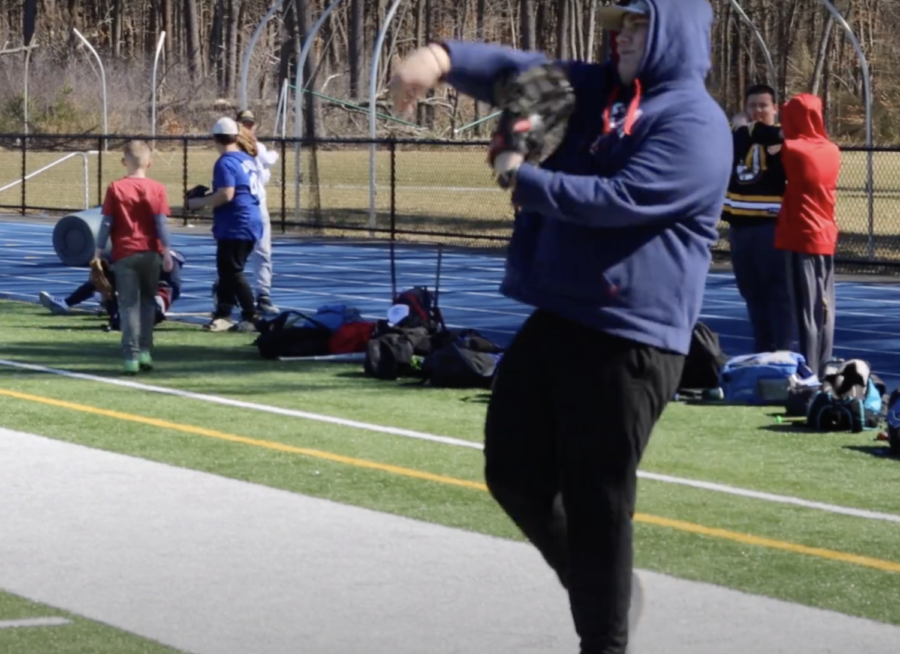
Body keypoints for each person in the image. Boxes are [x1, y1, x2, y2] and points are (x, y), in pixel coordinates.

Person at [389, 1, 732, 652]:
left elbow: (623, 200)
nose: (622, 34)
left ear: (674, 32)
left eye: (639, 23)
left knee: (597, 501)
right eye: (619, 22)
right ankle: (599, 585)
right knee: (511, 471)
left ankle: (603, 637)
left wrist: (525, 177)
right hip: (563, 317)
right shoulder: (596, 90)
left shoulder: (697, 122)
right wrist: (441, 59)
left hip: (633, 335)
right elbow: (520, 72)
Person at [743, 94, 841, 377]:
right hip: (825, 233)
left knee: (804, 310)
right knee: (825, 308)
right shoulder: (832, 149)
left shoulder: (793, 149)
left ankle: (808, 371)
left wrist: (744, 125)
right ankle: (822, 365)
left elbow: (761, 136)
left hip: (800, 233)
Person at [722, 84, 793, 353]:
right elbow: (732, 143)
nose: (758, 111)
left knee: (777, 294)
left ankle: (783, 353)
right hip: (739, 227)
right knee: (751, 294)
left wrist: (745, 129)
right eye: (752, 106)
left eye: (763, 105)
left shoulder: (778, 137)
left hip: (769, 226)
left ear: (775, 108)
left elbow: (773, 137)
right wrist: (742, 131)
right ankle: (762, 351)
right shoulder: (737, 136)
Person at [93, 140, 174, 374]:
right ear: (149, 163)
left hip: (125, 252)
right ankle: (146, 351)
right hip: (151, 251)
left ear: (123, 161)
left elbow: (107, 222)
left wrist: (98, 251)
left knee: (128, 305)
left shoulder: (116, 188)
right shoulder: (157, 188)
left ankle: (131, 356)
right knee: (148, 303)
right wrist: (167, 252)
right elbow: (161, 223)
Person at [186, 116, 263, 333]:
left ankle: (250, 315)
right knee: (227, 271)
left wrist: (198, 202)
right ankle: (224, 312)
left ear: (215, 139)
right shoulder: (245, 159)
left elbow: (227, 194)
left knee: (232, 271)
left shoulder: (226, 161)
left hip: (237, 222)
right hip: (249, 218)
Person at [38, 249, 185, 329]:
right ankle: (65, 303)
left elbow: (173, 287)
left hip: (157, 289)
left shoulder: (166, 260)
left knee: (150, 308)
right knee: (103, 281)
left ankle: (107, 304)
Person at [236, 109, 280, 316]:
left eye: (250, 124)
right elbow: (270, 159)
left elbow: (267, 162)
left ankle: (263, 294)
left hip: (258, 205)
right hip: (240, 207)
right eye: (244, 123)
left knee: (263, 252)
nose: (248, 127)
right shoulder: (233, 150)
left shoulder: (258, 146)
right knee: (236, 255)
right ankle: (226, 296)